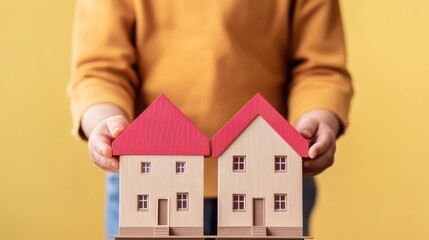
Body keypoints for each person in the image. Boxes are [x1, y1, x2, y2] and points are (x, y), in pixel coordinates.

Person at [68, 0, 353, 237]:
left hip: (271, 174)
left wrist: (318, 120)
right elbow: (100, 69)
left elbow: (319, 70)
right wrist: (105, 124)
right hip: (147, 176)